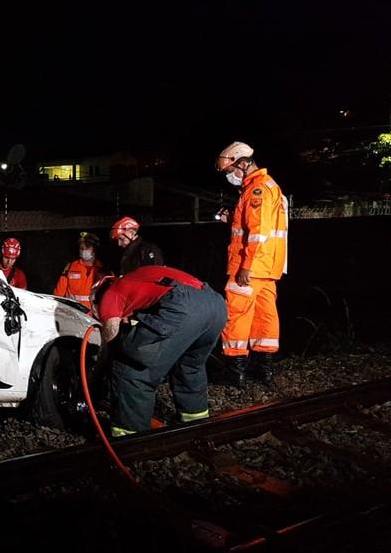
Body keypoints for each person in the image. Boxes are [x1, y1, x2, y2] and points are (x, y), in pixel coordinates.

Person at [95, 265, 227, 436]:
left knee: (132, 369)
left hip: (183, 305)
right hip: (215, 304)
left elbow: (111, 335)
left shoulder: (110, 292)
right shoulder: (136, 279)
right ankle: (197, 425)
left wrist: (108, 361)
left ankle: (129, 437)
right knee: (188, 366)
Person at [215, 141, 289, 386]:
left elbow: (258, 232)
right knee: (265, 316)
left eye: (229, 171)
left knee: (236, 314)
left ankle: (235, 372)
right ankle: (263, 370)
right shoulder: (268, 187)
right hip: (268, 268)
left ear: (243, 162)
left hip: (249, 267)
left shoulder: (256, 190)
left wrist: (246, 265)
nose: (229, 176)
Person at [53, 232, 110, 309]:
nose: (84, 251)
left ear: (94, 249)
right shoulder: (70, 267)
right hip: (74, 312)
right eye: (81, 248)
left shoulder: (103, 270)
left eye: (87, 248)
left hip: (95, 314)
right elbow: (58, 293)